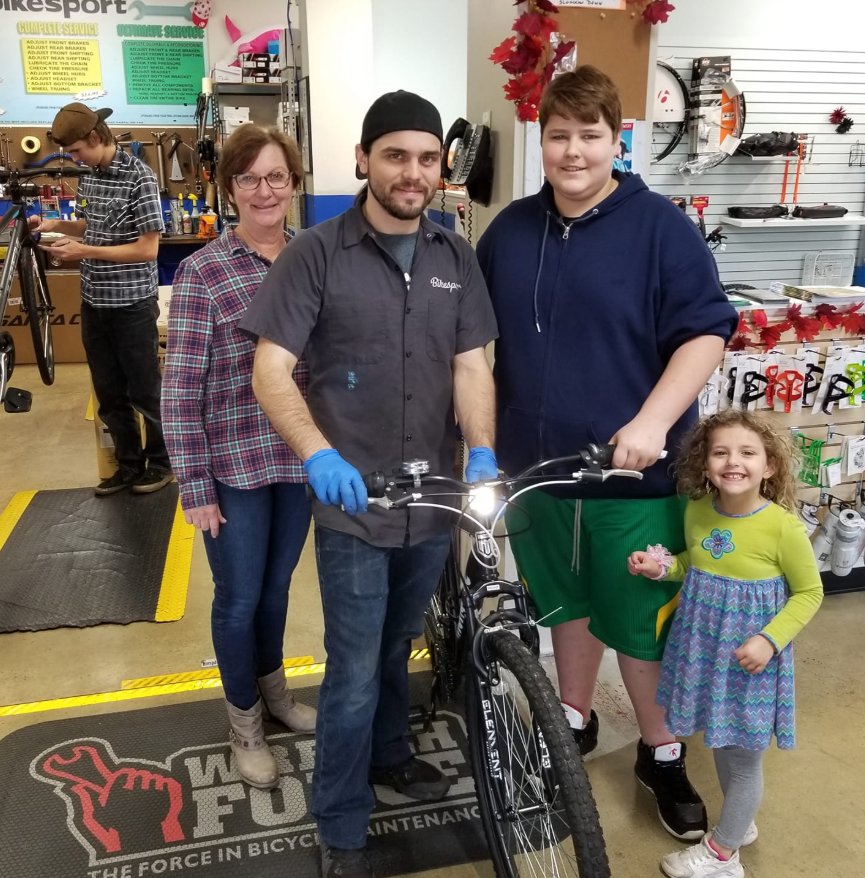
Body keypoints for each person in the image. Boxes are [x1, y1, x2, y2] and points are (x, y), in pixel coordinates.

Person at [475, 65, 738, 841]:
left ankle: (660, 752)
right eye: (557, 135)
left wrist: (653, 422)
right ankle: (571, 717)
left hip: (636, 477)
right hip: (538, 474)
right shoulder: (509, 232)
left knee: (640, 623)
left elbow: (704, 332)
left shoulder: (659, 228)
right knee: (566, 603)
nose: (572, 151)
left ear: (614, 139)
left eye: (588, 135)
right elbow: (466, 342)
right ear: (541, 139)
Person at [240, 90, 498, 878]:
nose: (411, 173)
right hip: (353, 507)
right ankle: (341, 825)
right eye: (394, 156)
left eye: (425, 158)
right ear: (362, 159)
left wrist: (481, 453)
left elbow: (470, 366)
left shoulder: (454, 255)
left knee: (397, 643)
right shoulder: (315, 254)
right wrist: (318, 453)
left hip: (433, 502)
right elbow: (271, 370)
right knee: (352, 669)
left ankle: (389, 754)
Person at [161, 125, 316, 790]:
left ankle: (275, 695)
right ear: (229, 189)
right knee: (239, 598)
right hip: (234, 468)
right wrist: (194, 484)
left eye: (276, 176)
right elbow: (179, 388)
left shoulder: (312, 259)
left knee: (277, 591)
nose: (264, 190)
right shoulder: (203, 272)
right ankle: (245, 724)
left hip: (299, 462)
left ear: (294, 183)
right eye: (248, 178)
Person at [628, 409, 823, 878]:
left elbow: (809, 593)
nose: (733, 461)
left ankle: (722, 854)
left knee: (742, 759)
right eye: (721, 452)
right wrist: (662, 567)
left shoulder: (782, 527)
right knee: (721, 741)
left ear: (769, 466)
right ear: (704, 462)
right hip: (705, 652)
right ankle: (739, 823)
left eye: (747, 453)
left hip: (750, 661)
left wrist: (769, 641)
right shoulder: (698, 509)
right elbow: (693, 564)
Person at [33, 102, 172, 496]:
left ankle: (161, 464)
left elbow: (148, 249)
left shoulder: (140, 178)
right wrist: (54, 224)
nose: (75, 159)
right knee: (109, 393)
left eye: (78, 150)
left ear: (95, 137)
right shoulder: (91, 176)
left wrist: (85, 252)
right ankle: (128, 466)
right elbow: (88, 224)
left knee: (145, 391)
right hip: (94, 302)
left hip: (131, 305)